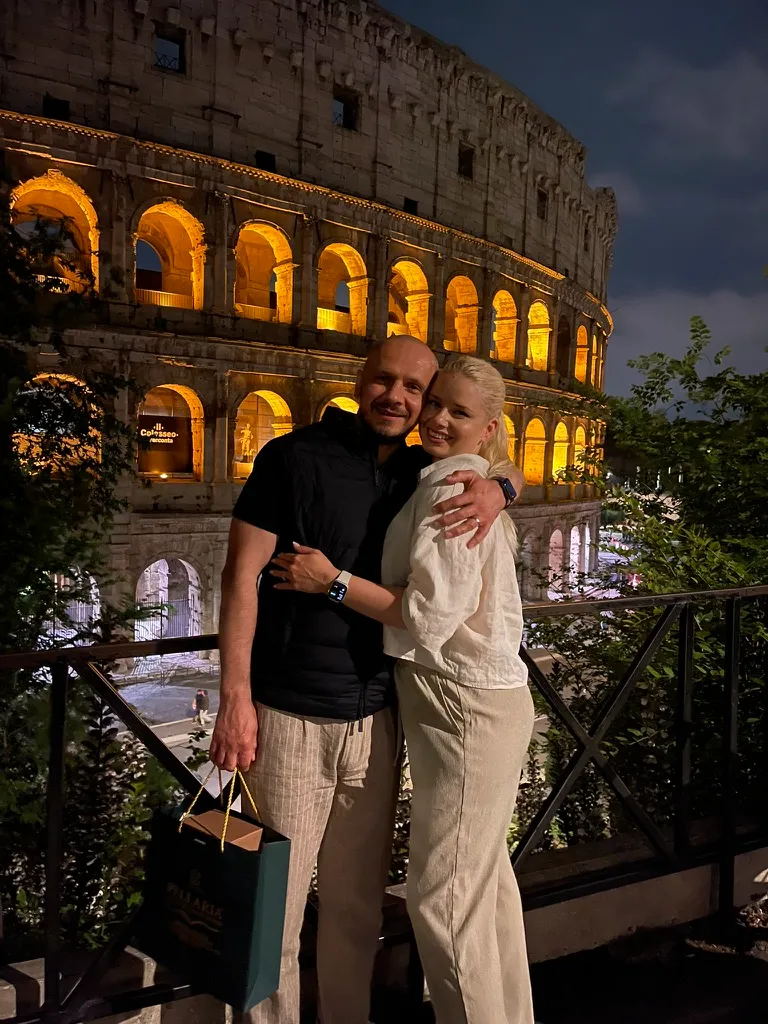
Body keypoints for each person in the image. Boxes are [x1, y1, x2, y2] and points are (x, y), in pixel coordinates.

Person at [209, 336, 523, 1024]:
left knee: (355, 912)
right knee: (276, 918)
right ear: (360, 379)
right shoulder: (292, 457)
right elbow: (240, 578)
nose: (401, 399)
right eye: (389, 381)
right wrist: (234, 699)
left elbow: (492, 459)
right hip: (290, 715)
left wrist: (501, 488)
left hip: (378, 718)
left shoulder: (423, 468)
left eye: (418, 390)